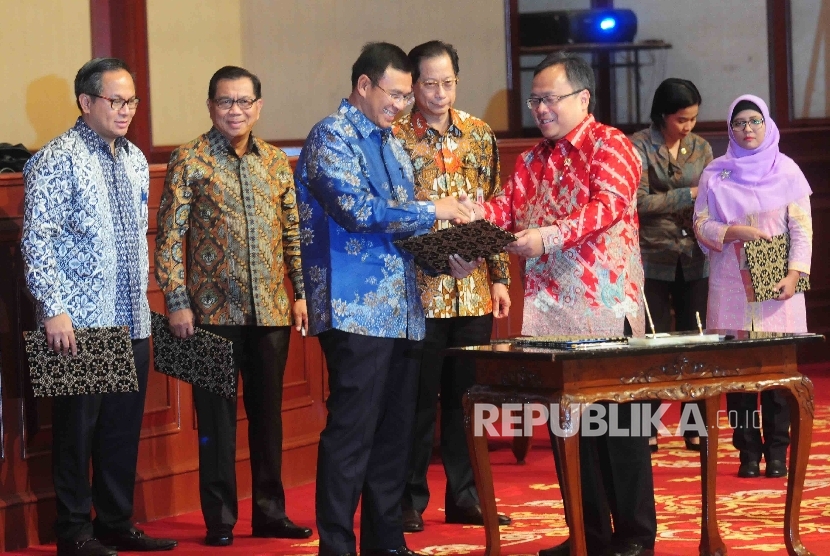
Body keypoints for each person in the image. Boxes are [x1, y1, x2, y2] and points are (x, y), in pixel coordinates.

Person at [468, 51, 656, 556]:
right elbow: (503, 209)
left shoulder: (611, 145)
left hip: (605, 310)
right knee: (568, 432)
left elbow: (606, 207)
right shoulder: (532, 159)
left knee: (622, 427)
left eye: (549, 99)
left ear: (582, 97)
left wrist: (547, 237)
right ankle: (589, 536)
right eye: (535, 101)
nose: (540, 110)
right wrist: (466, 225)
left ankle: (635, 538)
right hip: (549, 315)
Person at [294, 42, 473, 556]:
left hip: (403, 309)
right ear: (364, 85)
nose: (400, 105)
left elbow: (403, 228)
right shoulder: (331, 136)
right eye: (393, 94)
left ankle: (386, 542)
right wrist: (433, 207)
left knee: (395, 434)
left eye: (405, 96)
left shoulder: (392, 143)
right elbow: (355, 210)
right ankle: (336, 545)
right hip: (354, 309)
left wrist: (447, 255)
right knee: (352, 433)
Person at [21, 57, 177, 556]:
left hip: (131, 316)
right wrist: (52, 309)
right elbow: (37, 241)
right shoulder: (53, 160)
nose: (126, 109)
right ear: (86, 102)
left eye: (131, 100)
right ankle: (74, 532)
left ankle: (115, 522)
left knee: (119, 431)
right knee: (76, 434)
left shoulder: (133, 158)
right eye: (116, 100)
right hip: (78, 320)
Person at [154, 66, 312, 547]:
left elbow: (292, 233)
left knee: (268, 418)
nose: (236, 111)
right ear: (210, 106)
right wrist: (176, 301)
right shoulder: (190, 159)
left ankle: (270, 512)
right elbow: (168, 239)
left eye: (245, 102)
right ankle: (219, 520)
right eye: (226, 102)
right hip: (208, 315)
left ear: (259, 107)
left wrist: (301, 292)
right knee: (217, 425)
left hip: (271, 312)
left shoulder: (273, 161)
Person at [391, 40, 512, 533]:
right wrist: (441, 254)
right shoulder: (394, 136)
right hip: (419, 289)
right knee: (416, 403)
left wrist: (500, 276)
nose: (439, 93)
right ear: (413, 84)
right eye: (429, 84)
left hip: (475, 290)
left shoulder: (480, 134)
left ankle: (466, 496)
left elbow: (496, 206)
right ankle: (407, 500)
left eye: (448, 83)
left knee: (469, 401)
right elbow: (395, 216)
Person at [693, 94, 812, 479]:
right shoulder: (716, 171)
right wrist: (732, 232)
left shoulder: (788, 170)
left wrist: (795, 274)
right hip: (730, 280)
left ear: (767, 125)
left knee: (777, 375)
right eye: (740, 123)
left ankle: (778, 453)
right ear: (730, 128)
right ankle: (747, 453)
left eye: (755, 121)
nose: (747, 129)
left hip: (780, 284)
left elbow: (802, 230)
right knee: (739, 375)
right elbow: (700, 225)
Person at [630, 78, 713, 452]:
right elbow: (638, 203)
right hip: (653, 255)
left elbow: (713, 199)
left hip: (695, 255)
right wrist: (688, 194)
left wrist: (693, 200)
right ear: (663, 115)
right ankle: (647, 425)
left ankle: (694, 423)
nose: (688, 127)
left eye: (693, 119)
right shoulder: (637, 146)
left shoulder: (702, 148)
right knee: (652, 342)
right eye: (682, 119)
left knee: (696, 341)